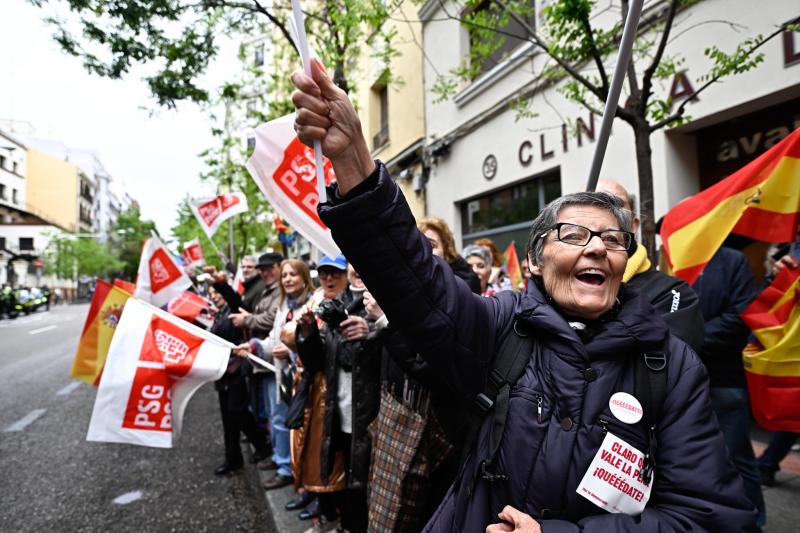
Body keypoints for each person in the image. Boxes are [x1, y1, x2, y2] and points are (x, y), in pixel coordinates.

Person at [290, 60, 757, 531]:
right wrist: (353, 160)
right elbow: (414, 279)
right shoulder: (499, 329)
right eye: (573, 234)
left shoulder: (671, 366)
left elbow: (709, 518)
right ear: (534, 259)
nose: (596, 246)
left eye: (613, 240)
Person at [295, 261, 381, 533]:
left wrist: (372, 331)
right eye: (353, 261)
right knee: (346, 484)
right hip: (340, 412)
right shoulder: (334, 303)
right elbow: (318, 362)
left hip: (372, 415)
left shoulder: (384, 303)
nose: (358, 268)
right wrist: (308, 334)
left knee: (368, 486)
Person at [692, 246, 765, 529]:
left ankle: (754, 522)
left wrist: (688, 339)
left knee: (735, 454)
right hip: (680, 378)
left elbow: (741, 315)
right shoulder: (670, 258)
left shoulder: (732, 261)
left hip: (723, 377)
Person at [595, 179, 705, 352]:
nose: (600, 214)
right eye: (587, 202)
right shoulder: (557, 285)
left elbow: (672, 358)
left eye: (614, 204)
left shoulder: (672, 293)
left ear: (633, 225)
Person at [238, 259, 316, 491]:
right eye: (285, 276)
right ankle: (285, 466)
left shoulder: (314, 304)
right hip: (283, 376)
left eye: (293, 274)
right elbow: (275, 340)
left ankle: (300, 475)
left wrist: (293, 350)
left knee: (305, 426)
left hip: (307, 379)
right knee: (279, 419)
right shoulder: (283, 306)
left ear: (304, 278)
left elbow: (314, 345)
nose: (288, 279)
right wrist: (254, 346)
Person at [207, 286, 269, 475]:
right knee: (228, 417)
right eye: (211, 294)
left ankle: (261, 444)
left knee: (237, 411)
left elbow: (234, 299)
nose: (214, 296)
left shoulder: (233, 309)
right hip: (223, 372)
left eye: (217, 293)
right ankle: (233, 458)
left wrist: (220, 283)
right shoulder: (219, 314)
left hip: (237, 371)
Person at [418, 217, 481, 294]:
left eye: (431, 245)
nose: (426, 250)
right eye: (420, 246)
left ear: (446, 250)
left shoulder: (464, 283)